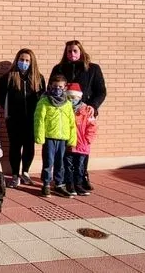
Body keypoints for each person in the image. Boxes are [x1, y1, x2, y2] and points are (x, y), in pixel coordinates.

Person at [49, 40, 107, 192]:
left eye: (75, 51)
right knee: (65, 150)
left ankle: (81, 177)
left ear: (81, 51)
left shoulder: (92, 69)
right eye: (69, 51)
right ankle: (65, 179)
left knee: (82, 148)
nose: (72, 54)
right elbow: (51, 89)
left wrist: (93, 106)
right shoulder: (59, 68)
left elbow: (101, 91)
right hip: (64, 115)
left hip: (84, 115)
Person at [0, 48, 46, 188]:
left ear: (32, 62)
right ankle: (15, 175)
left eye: (27, 60)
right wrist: (8, 110)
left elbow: (42, 98)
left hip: (32, 118)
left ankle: (25, 172)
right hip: (14, 118)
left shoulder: (38, 78)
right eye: (21, 60)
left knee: (29, 146)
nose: (24, 62)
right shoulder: (8, 77)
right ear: (17, 60)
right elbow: (0, 95)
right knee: (15, 146)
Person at [34, 74, 77, 198]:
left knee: (60, 162)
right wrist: (39, 136)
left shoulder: (67, 104)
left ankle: (59, 184)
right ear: (50, 86)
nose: (57, 89)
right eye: (55, 86)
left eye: (60, 87)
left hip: (63, 138)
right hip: (49, 137)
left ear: (64, 88)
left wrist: (72, 139)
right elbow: (39, 120)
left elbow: (71, 122)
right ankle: (46, 184)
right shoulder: (44, 101)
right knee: (48, 161)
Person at [64, 83, 97, 196]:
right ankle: (69, 185)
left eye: (75, 97)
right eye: (69, 97)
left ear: (79, 97)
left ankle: (78, 185)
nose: (72, 100)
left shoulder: (86, 111)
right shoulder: (64, 109)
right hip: (69, 145)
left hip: (82, 145)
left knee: (80, 167)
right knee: (68, 167)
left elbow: (92, 126)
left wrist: (88, 140)